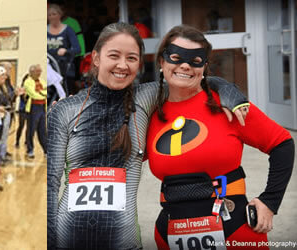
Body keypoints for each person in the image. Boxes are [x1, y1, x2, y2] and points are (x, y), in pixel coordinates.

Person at [46, 22, 249, 249]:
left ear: (139, 64)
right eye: (114, 55)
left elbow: (193, 80)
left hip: (124, 241)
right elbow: (49, 185)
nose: (122, 65)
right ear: (95, 58)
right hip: (68, 238)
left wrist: (233, 95)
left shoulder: (146, 97)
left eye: (131, 58)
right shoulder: (64, 110)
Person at [146, 25, 294, 249]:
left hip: (235, 230)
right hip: (171, 232)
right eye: (176, 57)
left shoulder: (228, 105)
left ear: (204, 67)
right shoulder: (149, 113)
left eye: (195, 59)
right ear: (161, 61)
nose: (185, 65)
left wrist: (270, 202)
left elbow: (282, 143)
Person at [24, 64, 62, 159]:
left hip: (42, 107)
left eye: (40, 71)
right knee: (31, 130)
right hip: (33, 107)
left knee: (42, 130)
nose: (39, 73)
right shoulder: (28, 82)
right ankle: (30, 150)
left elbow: (47, 93)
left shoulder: (42, 81)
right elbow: (33, 94)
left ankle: (46, 150)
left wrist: (41, 93)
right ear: (32, 72)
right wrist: (42, 94)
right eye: (37, 71)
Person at [48, 4, 80, 95]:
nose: (52, 17)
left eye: (54, 14)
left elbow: (77, 49)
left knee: (66, 93)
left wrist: (66, 51)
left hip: (65, 69)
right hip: (50, 70)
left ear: (60, 15)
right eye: (49, 15)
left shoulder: (68, 30)